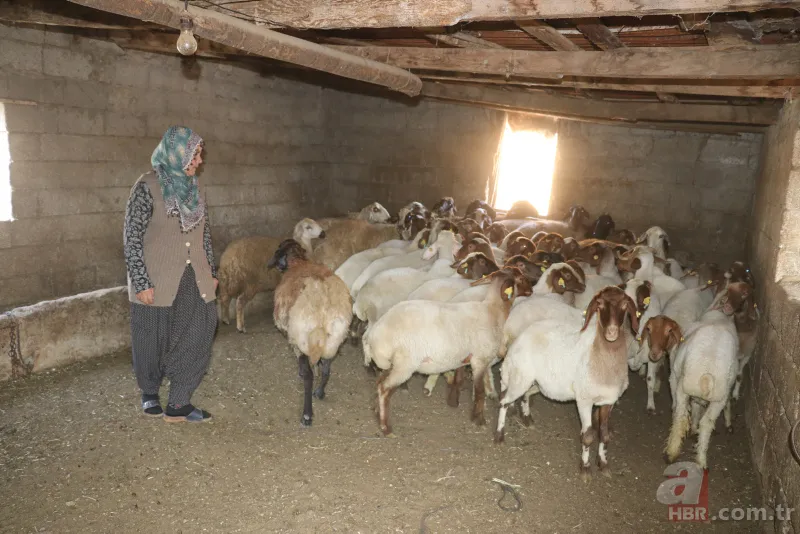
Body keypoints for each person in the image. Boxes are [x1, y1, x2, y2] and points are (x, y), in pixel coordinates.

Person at [123, 125, 218, 423]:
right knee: (152, 337)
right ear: (177, 154)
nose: (199, 161)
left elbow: (204, 236)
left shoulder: (195, 190)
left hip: (195, 276)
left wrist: (211, 272)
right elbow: (132, 237)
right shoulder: (146, 187)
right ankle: (149, 391)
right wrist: (141, 281)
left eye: (199, 154)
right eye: (196, 155)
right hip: (156, 278)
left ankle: (179, 402)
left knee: (199, 331)